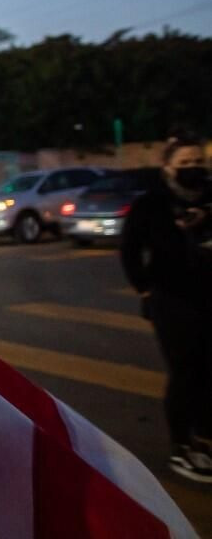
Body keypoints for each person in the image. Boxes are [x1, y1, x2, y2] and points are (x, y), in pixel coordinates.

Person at [121, 131, 212, 483]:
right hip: (171, 300)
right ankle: (181, 446)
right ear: (168, 167)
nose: (192, 169)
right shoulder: (152, 204)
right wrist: (144, 288)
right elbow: (130, 251)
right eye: (184, 163)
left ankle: (204, 439)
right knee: (186, 370)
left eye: (198, 162)